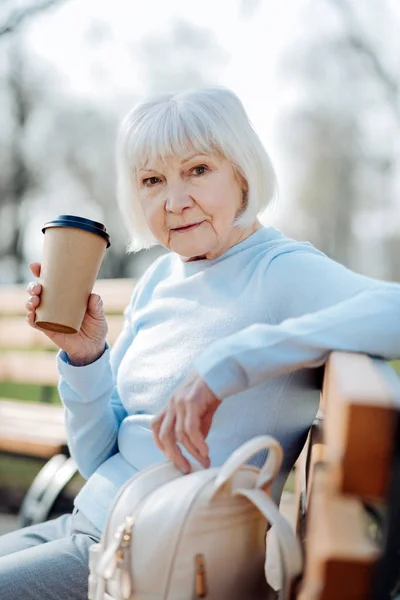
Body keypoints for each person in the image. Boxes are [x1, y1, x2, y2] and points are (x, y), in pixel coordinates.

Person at [0, 87, 399, 600]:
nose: (174, 200)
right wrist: (85, 357)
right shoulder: (160, 277)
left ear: (241, 171)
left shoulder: (280, 270)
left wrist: (234, 361)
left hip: (160, 562)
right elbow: (97, 455)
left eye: (198, 170)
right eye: (152, 180)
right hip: (92, 529)